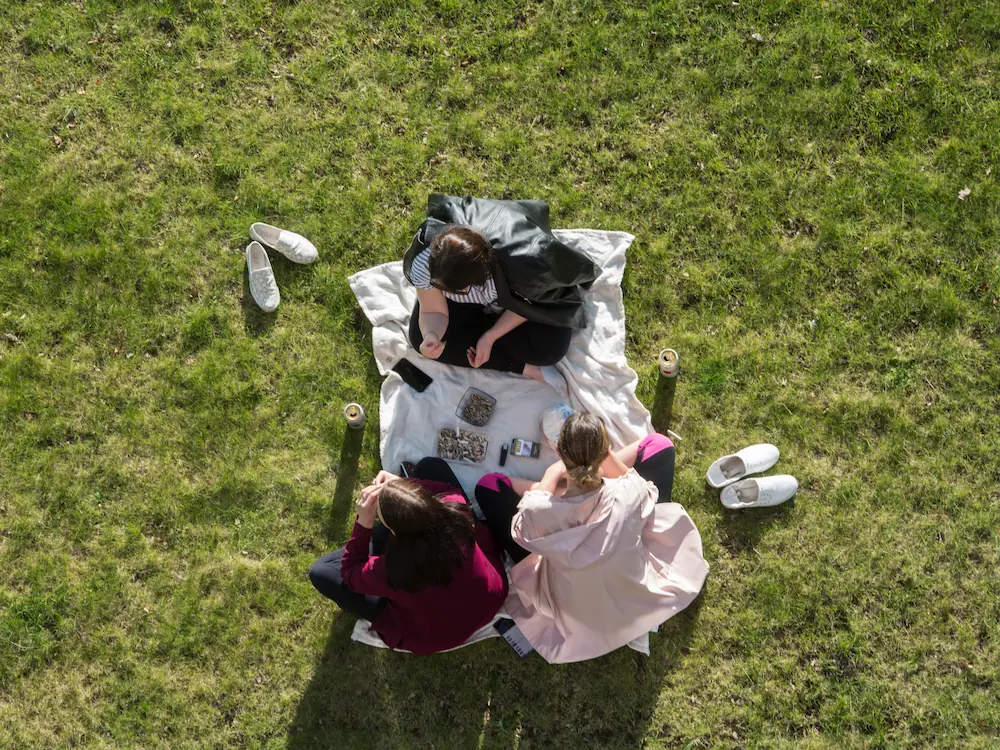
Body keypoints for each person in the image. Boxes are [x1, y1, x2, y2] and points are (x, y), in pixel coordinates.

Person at [475, 412, 709, 664]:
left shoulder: (537, 513)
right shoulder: (628, 492)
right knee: (660, 445)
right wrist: (600, 455)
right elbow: (645, 467)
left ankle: (570, 490)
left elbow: (518, 519)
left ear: (558, 453)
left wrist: (552, 477)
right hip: (631, 587)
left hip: (576, 605)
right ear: (605, 451)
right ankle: (579, 484)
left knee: (488, 486)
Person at [309, 458, 507, 654]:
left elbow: (350, 574)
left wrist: (364, 523)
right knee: (431, 466)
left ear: (394, 533)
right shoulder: (456, 511)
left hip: (436, 634)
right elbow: (447, 487)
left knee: (321, 572)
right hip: (488, 599)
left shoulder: (393, 569)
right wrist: (401, 486)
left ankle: (381, 533)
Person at [404, 194, 600, 380]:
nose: (445, 293)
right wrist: (432, 334)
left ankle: (484, 335)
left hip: (522, 300)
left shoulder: (524, 265)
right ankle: (517, 365)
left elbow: (532, 305)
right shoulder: (424, 262)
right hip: (489, 297)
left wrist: (490, 336)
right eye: (441, 287)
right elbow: (433, 310)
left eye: (456, 290)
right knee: (419, 338)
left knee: (549, 350)